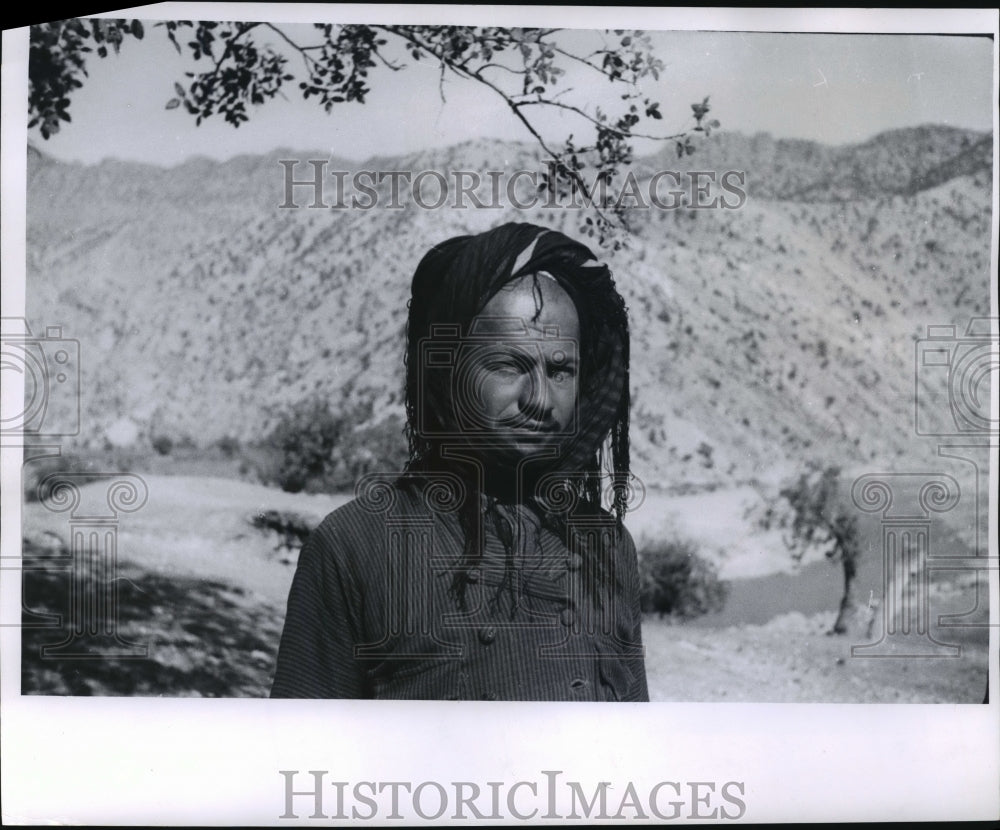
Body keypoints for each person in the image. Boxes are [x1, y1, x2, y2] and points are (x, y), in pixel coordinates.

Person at [271, 222, 647, 700]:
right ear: (449, 370)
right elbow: (302, 750)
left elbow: (633, 745)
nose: (540, 399)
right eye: (509, 365)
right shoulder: (356, 545)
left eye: (560, 369)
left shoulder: (605, 547)